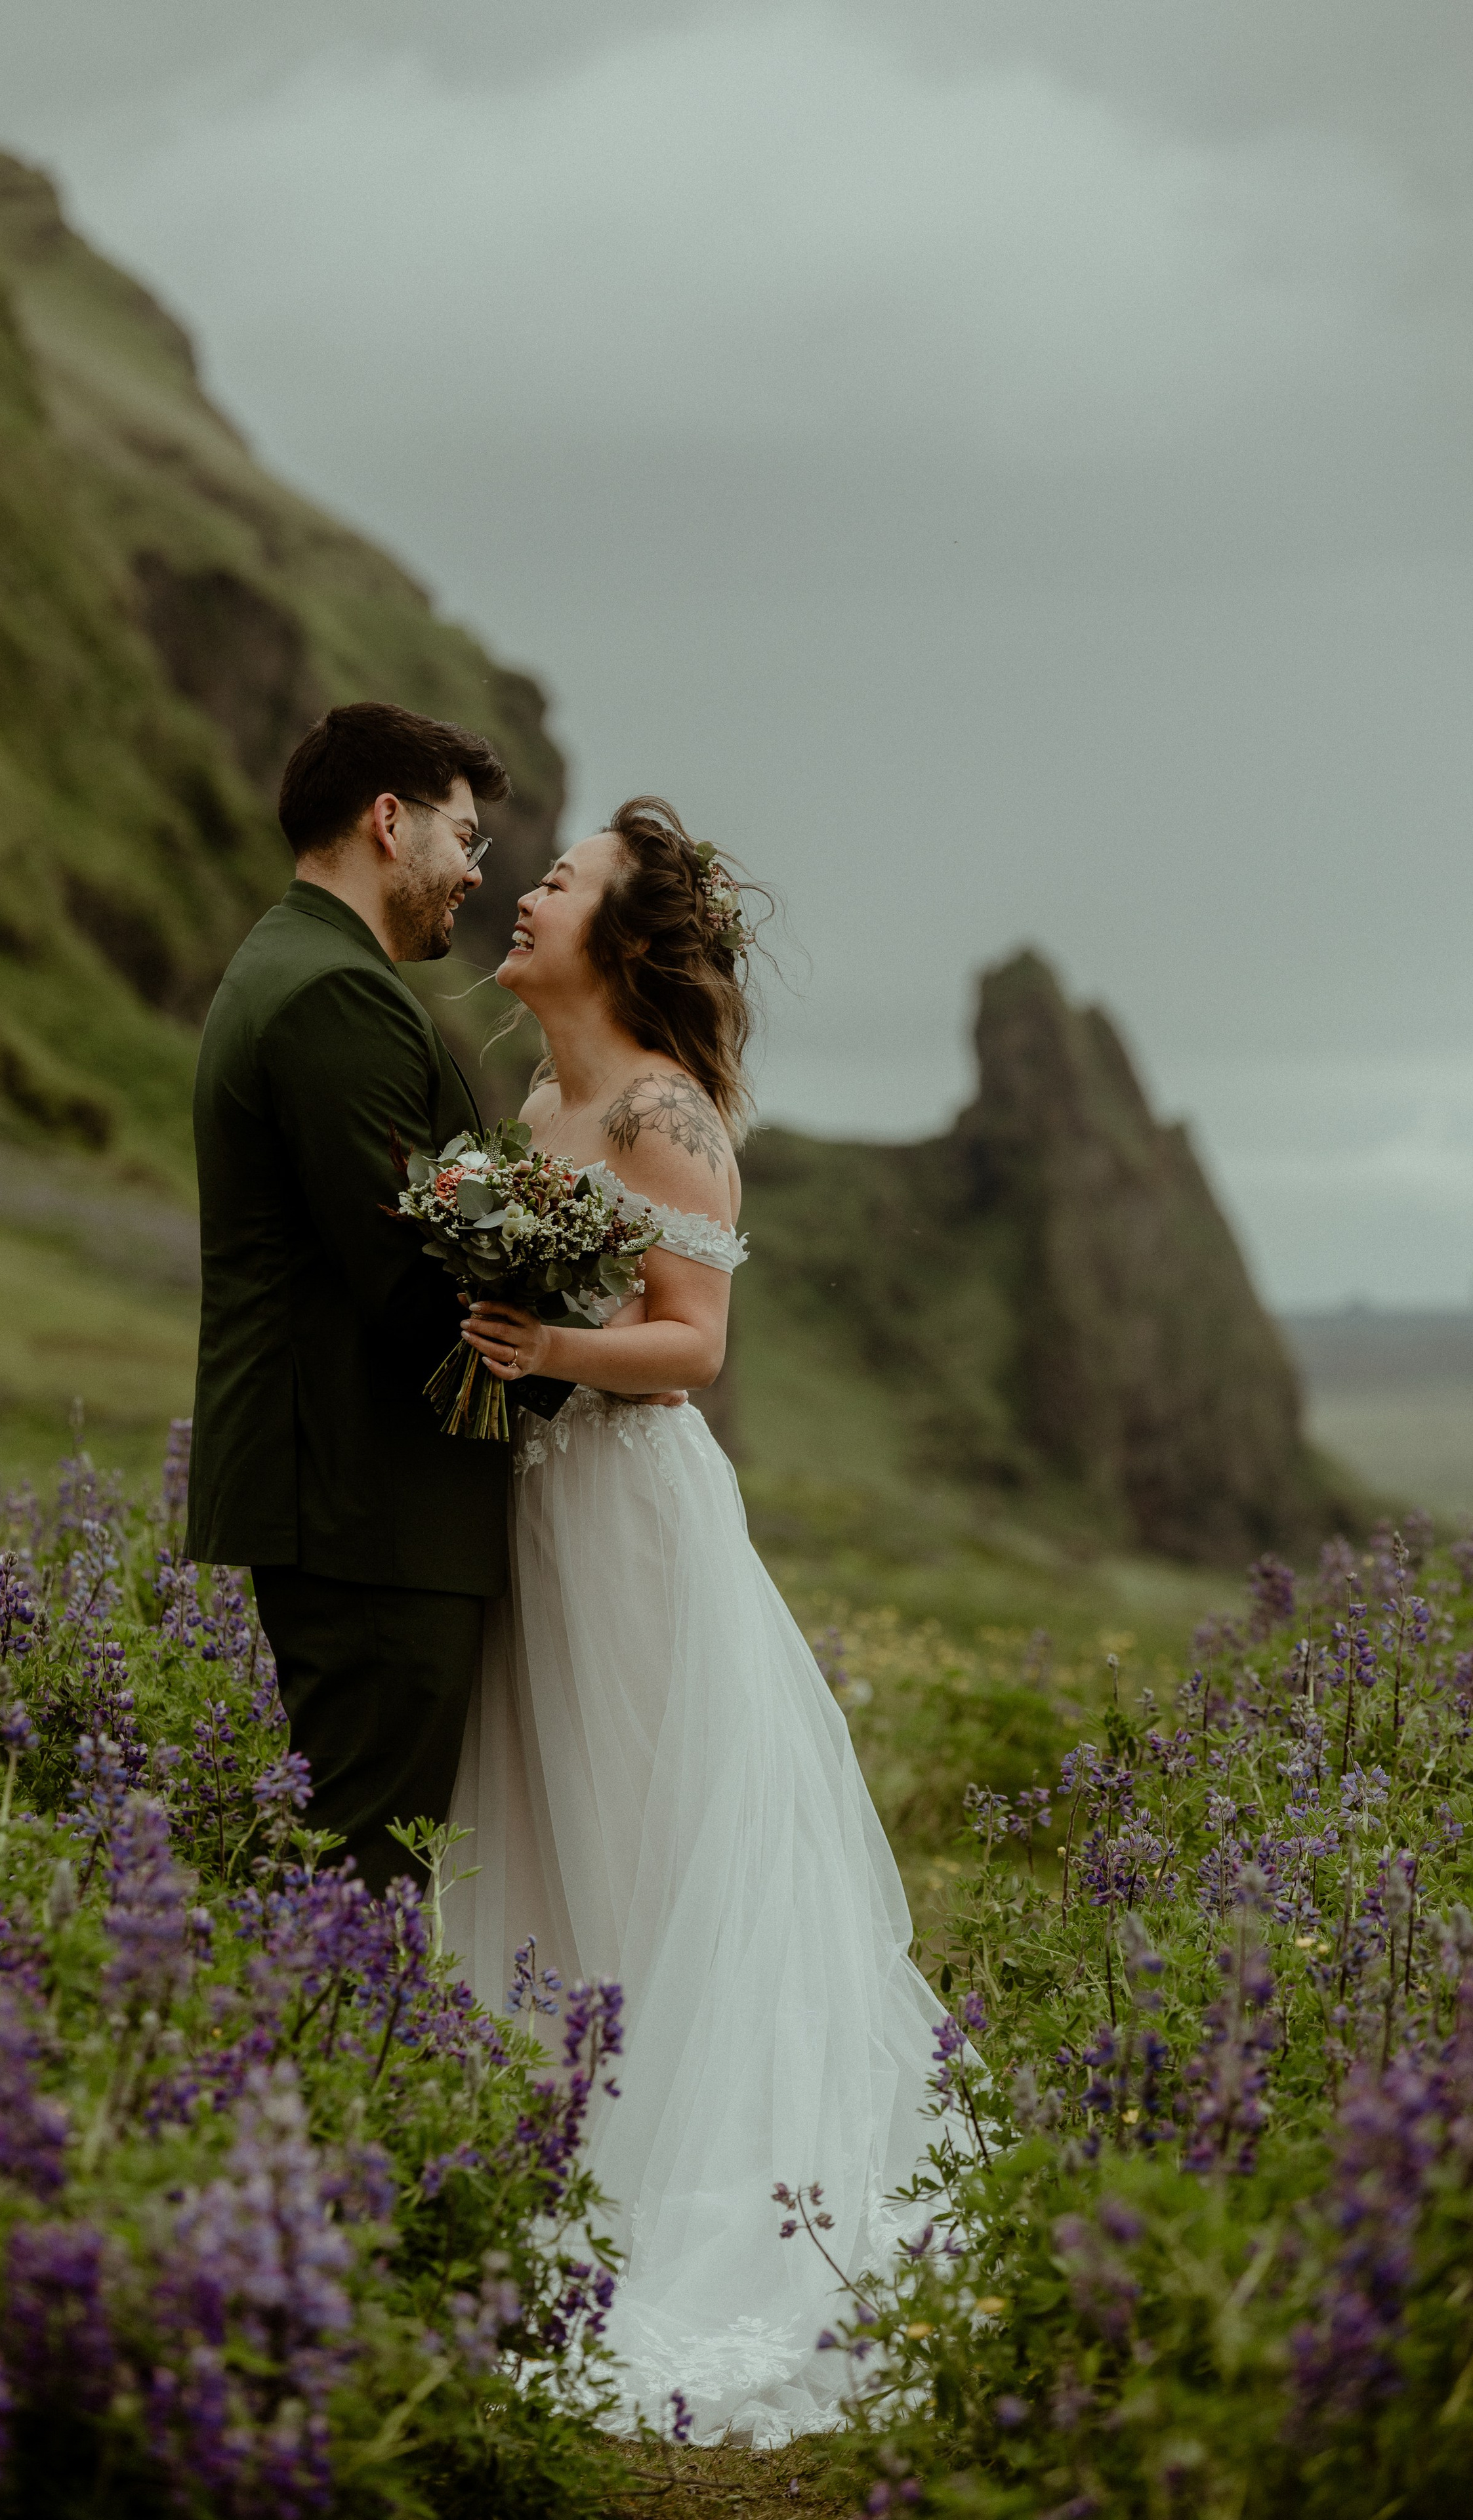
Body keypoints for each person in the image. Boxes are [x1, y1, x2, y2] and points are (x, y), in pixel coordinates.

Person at [446, 797, 954, 2444]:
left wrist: (547, 1354)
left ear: (617, 935)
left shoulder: (666, 1111)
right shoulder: (539, 1097)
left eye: (558, 882)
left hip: (636, 1513)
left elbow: (694, 1345)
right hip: (541, 1507)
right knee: (563, 1814)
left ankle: (706, 2193)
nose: (523, 894)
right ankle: (566, 2165)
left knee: (666, 1830)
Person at [184, 700, 514, 1891]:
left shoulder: (299, 964)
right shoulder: (334, 992)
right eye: (464, 838)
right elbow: (408, 1278)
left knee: (354, 1857)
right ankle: (303, 2073)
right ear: (391, 821)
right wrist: (569, 1358)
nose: (474, 871)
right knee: (365, 1871)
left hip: (354, 1497)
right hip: (367, 1500)